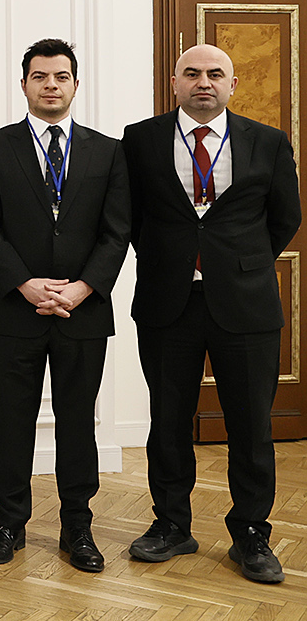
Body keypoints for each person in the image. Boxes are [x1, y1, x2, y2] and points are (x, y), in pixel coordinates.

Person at [123, 43, 300, 584]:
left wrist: (238, 265)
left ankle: (251, 533)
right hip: (166, 302)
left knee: (250, 426)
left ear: (232, 84)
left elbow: (284, 217)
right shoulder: (141, 140)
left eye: (215, 74)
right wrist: (169, 260)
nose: (204, 82)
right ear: (174, 82)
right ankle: (171, 525)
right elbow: (126, 216)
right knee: (168, 421)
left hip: (244, 305)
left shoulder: (266, 141)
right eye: (192, 73)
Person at [0, 38, 128, 573]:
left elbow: (116, 232)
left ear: (76, 84)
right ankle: (9, 523)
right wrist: (24, 284)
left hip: (83, 310)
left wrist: (82, 288)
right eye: (40, 77)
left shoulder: (108, 151)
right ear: (24, 85)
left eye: (61, 77)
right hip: (17, 309)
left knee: (78, 422)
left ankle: (77, 527)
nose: (51, 85)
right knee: (13, 420)